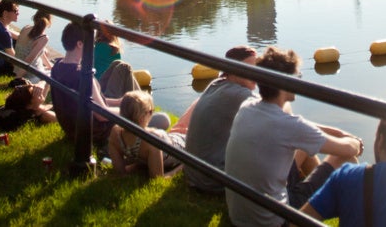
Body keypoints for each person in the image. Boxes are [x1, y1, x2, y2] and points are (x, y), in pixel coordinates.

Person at [224, 46, 363, 227]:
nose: (300, 83)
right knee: (347, 161)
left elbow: (294, 122)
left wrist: (338, 133)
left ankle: (313, 189)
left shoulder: (247, 107)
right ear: (285, 83)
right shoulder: (290, 126)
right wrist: (355, 140)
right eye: (297, 78)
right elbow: (349, 149)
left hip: (240, 217)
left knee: (307, 147)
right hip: (275, 221)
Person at [184, 45, 259, 193]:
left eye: (257, 69)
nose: (256, 75)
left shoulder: (216, 84)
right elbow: (277, 114)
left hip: (194, 173)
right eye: (249, 69)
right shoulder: (238, 94)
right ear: (232, 70)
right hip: (211, 180)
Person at [108, 90, 188, 178]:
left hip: (169, 141)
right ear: (142, 118)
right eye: (150, 111)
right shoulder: (151, 140)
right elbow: (158, 179)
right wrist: (182, 167)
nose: (152, 114)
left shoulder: (115, 132)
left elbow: (120, 171)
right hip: (180, 146)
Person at [13, 9, 53, 82]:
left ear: (35, 18)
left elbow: (39, 53)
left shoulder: (25, 28)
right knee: (55, 74)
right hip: (31, 75)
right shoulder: (43, 38)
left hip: (16, 68)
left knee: (52, 67)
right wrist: (17, 78)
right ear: (49, 22)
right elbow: (28, 60)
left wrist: (50, 66)